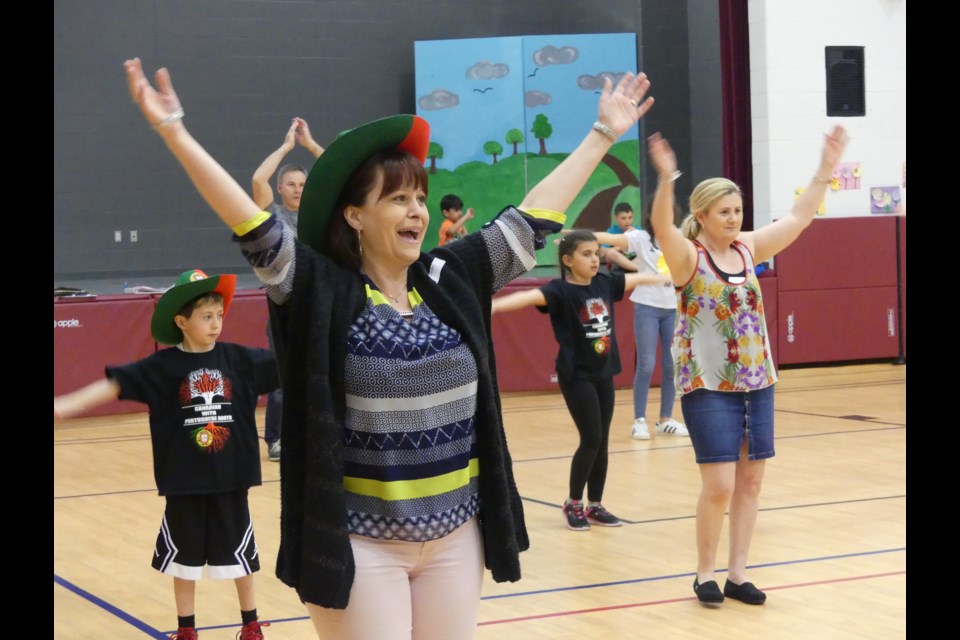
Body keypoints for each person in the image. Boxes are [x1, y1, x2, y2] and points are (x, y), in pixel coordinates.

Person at [123, 57, 654, 639]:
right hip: (359, 543)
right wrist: (174, 130)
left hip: (456, 535)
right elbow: (250, 222)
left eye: (420, 198)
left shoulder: (452, 274)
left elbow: (534, 218)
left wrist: (602, 134)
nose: (418, 211)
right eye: (399, 199)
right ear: (356, 215)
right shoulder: (319, 287)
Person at [647, 126, 849, 607]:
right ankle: (704, 574)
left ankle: (738, 574)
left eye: (738, 210)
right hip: (707, 385)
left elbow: (800, 217)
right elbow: (661, 227)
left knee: (751, 481)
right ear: (703, 215)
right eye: (725, 211)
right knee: (718, 485)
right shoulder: (687, 258)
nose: (734, 218)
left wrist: (825, 168)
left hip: (757, 382)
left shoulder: (748, 249)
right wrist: (667, 177)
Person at [53, 269, 278, 640]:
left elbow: (296, 367)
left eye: (220, 315)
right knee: (184, 562)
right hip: (184, 482)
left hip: (231, 480)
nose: (216, 323)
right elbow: (114, 384)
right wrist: (64, 407)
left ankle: (250, 624)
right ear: (181, 321)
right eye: (207, 316)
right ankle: (186, 629)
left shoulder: (241, 360)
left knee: (242, 556)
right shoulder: (163, 367)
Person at [491, 230, 670, 531]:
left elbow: (635, 280)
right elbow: (526, 297)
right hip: (576, 375)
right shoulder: (560, 291)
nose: (594, 259)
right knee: (591, 439)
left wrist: (660, 279)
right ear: (568, 260)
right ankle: (573, 503)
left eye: (595, 253)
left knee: (601, 443)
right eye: (586, 254)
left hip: (604, 372)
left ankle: (595, 505)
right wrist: (493, 306)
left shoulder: (603, 282)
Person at [251, 117, 325, 463]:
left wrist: (311, 146)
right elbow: (257, 179)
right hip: (285, 306)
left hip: (320, 303)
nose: (298, 189)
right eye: (291, 184)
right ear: (281, 189)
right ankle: (276, 440)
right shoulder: (272, 215)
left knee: (324, 376)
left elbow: (348, 180)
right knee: (283, 378)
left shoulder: (320, 213)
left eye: (303, 183)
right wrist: (286, 147)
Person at [593, 204, 689, 440]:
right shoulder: (641, 237)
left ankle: (666, 419)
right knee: (646, 363)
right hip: (647, 306)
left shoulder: (678, 237)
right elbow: (610, 238)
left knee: (670, 365)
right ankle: (639, 421)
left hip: (671, 308)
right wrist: (577, 236)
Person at [598, 202, 639, 272]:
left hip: (633, 257)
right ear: (616, 218)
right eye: (623, 218)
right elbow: (603, 252)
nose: (628, 221)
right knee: (611, 254)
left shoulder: (637, 229)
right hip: (618, 261)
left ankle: (639, 269)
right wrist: (621, 245)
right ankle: (639, 269)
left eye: (630, 217)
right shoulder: (611, 231)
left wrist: (637, 235)